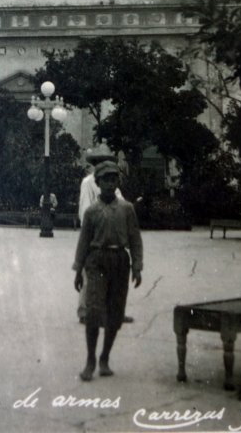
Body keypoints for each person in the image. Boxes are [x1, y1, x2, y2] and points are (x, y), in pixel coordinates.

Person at [73, 160, 143, 381]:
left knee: (115, 314)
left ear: (117, 182)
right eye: (105, 179)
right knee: (93, 312)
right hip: (96, 261)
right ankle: (90, 360)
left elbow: (135, 239)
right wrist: (78, 270)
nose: (110, 183)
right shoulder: (92, 212)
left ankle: (105, 358)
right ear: (98, 182)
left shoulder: (127, 209)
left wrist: (137, 266)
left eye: (114, 179)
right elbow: (83, 242)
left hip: (120, 261)